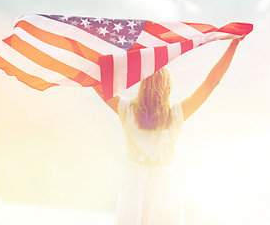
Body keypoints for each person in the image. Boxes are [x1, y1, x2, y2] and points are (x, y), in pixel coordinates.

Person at [94, 37, 243, 225]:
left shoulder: (127, 111)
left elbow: (97, 84)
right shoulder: (176, 116)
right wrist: (233, 46)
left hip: (133, 189)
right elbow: (211, 82)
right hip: (165, 190)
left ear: (143, 85)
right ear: (167, 88)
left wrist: (81, 57)